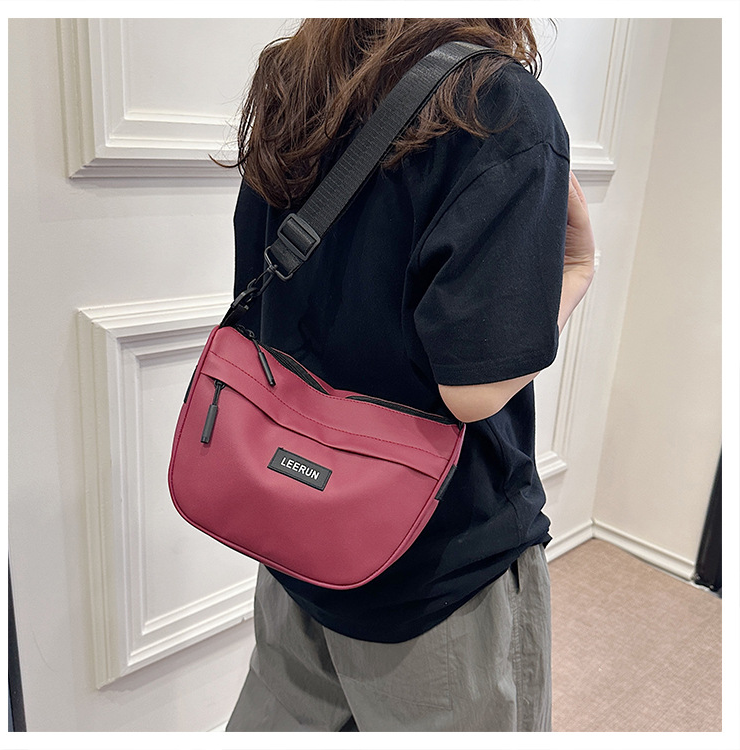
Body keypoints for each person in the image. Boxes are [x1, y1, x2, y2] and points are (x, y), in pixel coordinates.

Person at [223, 18, 595, 732]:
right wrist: (576, 274)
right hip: (434, 566)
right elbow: (473, 390)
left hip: (292, 520)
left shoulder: (293, 74)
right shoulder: (497, 104)